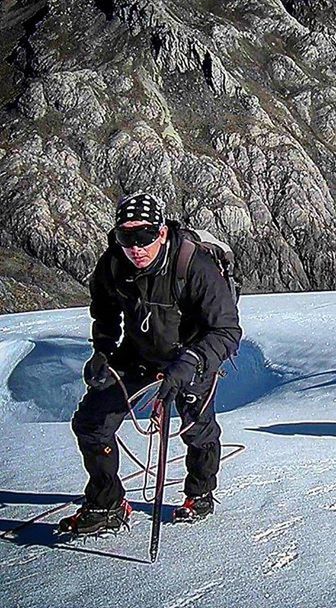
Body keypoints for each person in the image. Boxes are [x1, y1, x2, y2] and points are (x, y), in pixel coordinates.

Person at [59, 191, 242, 535]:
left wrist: (190, 361)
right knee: (91, 422)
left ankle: (200, 493)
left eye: (143, 236)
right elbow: (106, 313)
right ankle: (107, 502)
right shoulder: (113, 264)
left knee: (196, 430)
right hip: (138, 352)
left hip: (192, 353)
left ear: (161, 232)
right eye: (125, 237)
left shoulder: (194, 265)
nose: (135, 247)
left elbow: (226, 330)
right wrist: (102, 351)